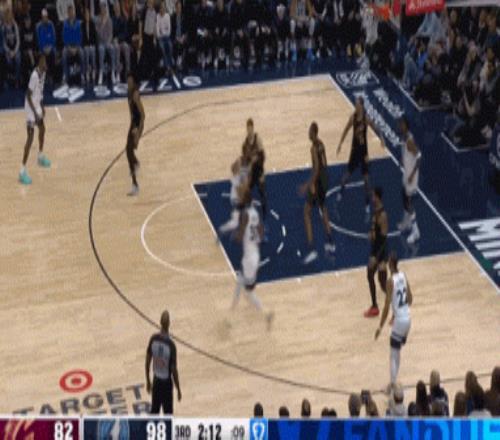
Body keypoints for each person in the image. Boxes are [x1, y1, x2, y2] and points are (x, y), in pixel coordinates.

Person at [231, 185, 274, 328]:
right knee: (239, 281)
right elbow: (261, 233)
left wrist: (235, 234)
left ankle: (266, 314)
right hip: (255, 254)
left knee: (248, 292)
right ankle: (230, 315)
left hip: (249, 257)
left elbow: (240, 236)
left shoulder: (245, 214)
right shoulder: (255, 213)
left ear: (244, 200)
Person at [337, 96, 384, 217]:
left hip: (364, 153)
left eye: (357, 104)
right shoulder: (353, 117)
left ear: (362, 106)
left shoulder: (366, 118)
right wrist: (340, 143)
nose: (356, 106)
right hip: (354, 152)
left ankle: (367, 204)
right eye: (355, 104)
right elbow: (346, 130)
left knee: (367, 181)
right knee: (346, 177)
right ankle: (341, 191)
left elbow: (376, 127)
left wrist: (382, 138)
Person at [375, 251, 412, 390]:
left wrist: (380, 327)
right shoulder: (403, 275)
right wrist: (397, 314)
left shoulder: (390, 281)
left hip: (400, 322)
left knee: (393, 354)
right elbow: (410, 299)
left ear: (390, 264)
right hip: (408, 319)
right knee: (397, 352)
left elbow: (386, 307)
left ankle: (392, 385)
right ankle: (394, 382)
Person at [300, 121, 335, 264]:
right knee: (323, 209)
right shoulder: (321, 144)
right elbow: (324, 164)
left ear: (314, 133)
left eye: (310, 131)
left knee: (306, 212)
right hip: (325, 180)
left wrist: (308, 185)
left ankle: (311, 249)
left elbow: (316, 170)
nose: (308, 133)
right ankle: (330, 242)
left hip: (318, 182)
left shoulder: (314, 148)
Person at [19, 54, 50, 185]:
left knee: (42, 129)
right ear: (39, 63)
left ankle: (40, 156)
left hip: (36, 104)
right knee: (30, 138)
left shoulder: (43, 74)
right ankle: (22, 171)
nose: (46, 63)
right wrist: (35, 114)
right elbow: (28, 95)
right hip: (30, 107)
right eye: (43, 61)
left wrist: (41, 107)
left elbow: (40, 92)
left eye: (46, 61)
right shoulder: (34, 76)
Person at [145, 310, 182, 415]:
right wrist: (178, 388)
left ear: (160, 322)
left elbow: (147, 362)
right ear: (169, 323)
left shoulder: (153, 339)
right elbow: (174, 370)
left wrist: (148, 381)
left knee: (154, 411)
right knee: (168, 414)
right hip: (166, 383)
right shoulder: (171, 345)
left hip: (156, 381)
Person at [397, 116, 421, 244]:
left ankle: (415, 231)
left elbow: (419, 156)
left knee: (409, 203)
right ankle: (406, 223)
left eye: (401, 124)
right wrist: (403, 160)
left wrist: (412, 174)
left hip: (412, 176)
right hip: (406, 173)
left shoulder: (409, 141)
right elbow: (407, 154)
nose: (399, 126)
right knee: (404, 197)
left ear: (406, 126)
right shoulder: (404, 138)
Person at [365, 187, 388, 317]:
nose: (372, 198)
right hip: (375, 248)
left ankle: (396, 305)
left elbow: (384, 239)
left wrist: (377, 257)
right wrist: (371, 233)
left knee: (383, 283)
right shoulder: (375, 210)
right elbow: (375, 228)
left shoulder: (383, 215)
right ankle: (374, 307)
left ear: (378, 197)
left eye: (373, 196)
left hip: (380, 251)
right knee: (372, 277)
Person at [241, 118, 267, 223]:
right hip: (251, 173)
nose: (249, 131)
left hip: (259, 170)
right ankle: (247, 212)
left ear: (253, 128)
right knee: (246, 192)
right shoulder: (245, 144)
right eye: (248, 129)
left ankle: (264, 214)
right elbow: (245, 161)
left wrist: (257, 163)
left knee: (262, 192)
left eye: (250, 129)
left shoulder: (258, 139)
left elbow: (263, 156)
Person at [125, 72, 145, 196]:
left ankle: (135, 184)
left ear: (134, 82)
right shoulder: (128, 92)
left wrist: (138, 133)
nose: (129, 83)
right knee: (128, 152)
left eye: (130, 81)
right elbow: (132, 113)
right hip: (133, 124)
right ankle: (134, 184)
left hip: (137, 126)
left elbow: (142, 115)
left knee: (128, 151)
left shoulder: (136, 94)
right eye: (127, 81)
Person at [62, 5, 84, 85]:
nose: (71, 13)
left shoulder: (78, 23)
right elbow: (64, 37)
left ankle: (82, 75)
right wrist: (69, 48)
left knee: (81, 53)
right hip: (68, 46)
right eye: (69, 12)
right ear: (68, 13)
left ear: (74, 13)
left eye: (72, 12)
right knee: (64, 53)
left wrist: (76, 48)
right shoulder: (65, 24)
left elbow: (80, 37)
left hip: (77, 46)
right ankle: (65, 75)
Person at [96, 3, 117, 85]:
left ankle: (113, 72)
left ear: (106, 10)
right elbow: (98, 34)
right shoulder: (98, 20)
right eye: (101, 9)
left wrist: (108, 42)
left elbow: (111, 34)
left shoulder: (109, 20)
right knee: (101, 49)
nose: (103, 10)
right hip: (101, 42)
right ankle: (101, 72)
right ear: (100, 10)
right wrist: (102, 24)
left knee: (112, 48)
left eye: (104, 9)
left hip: (108, 42)